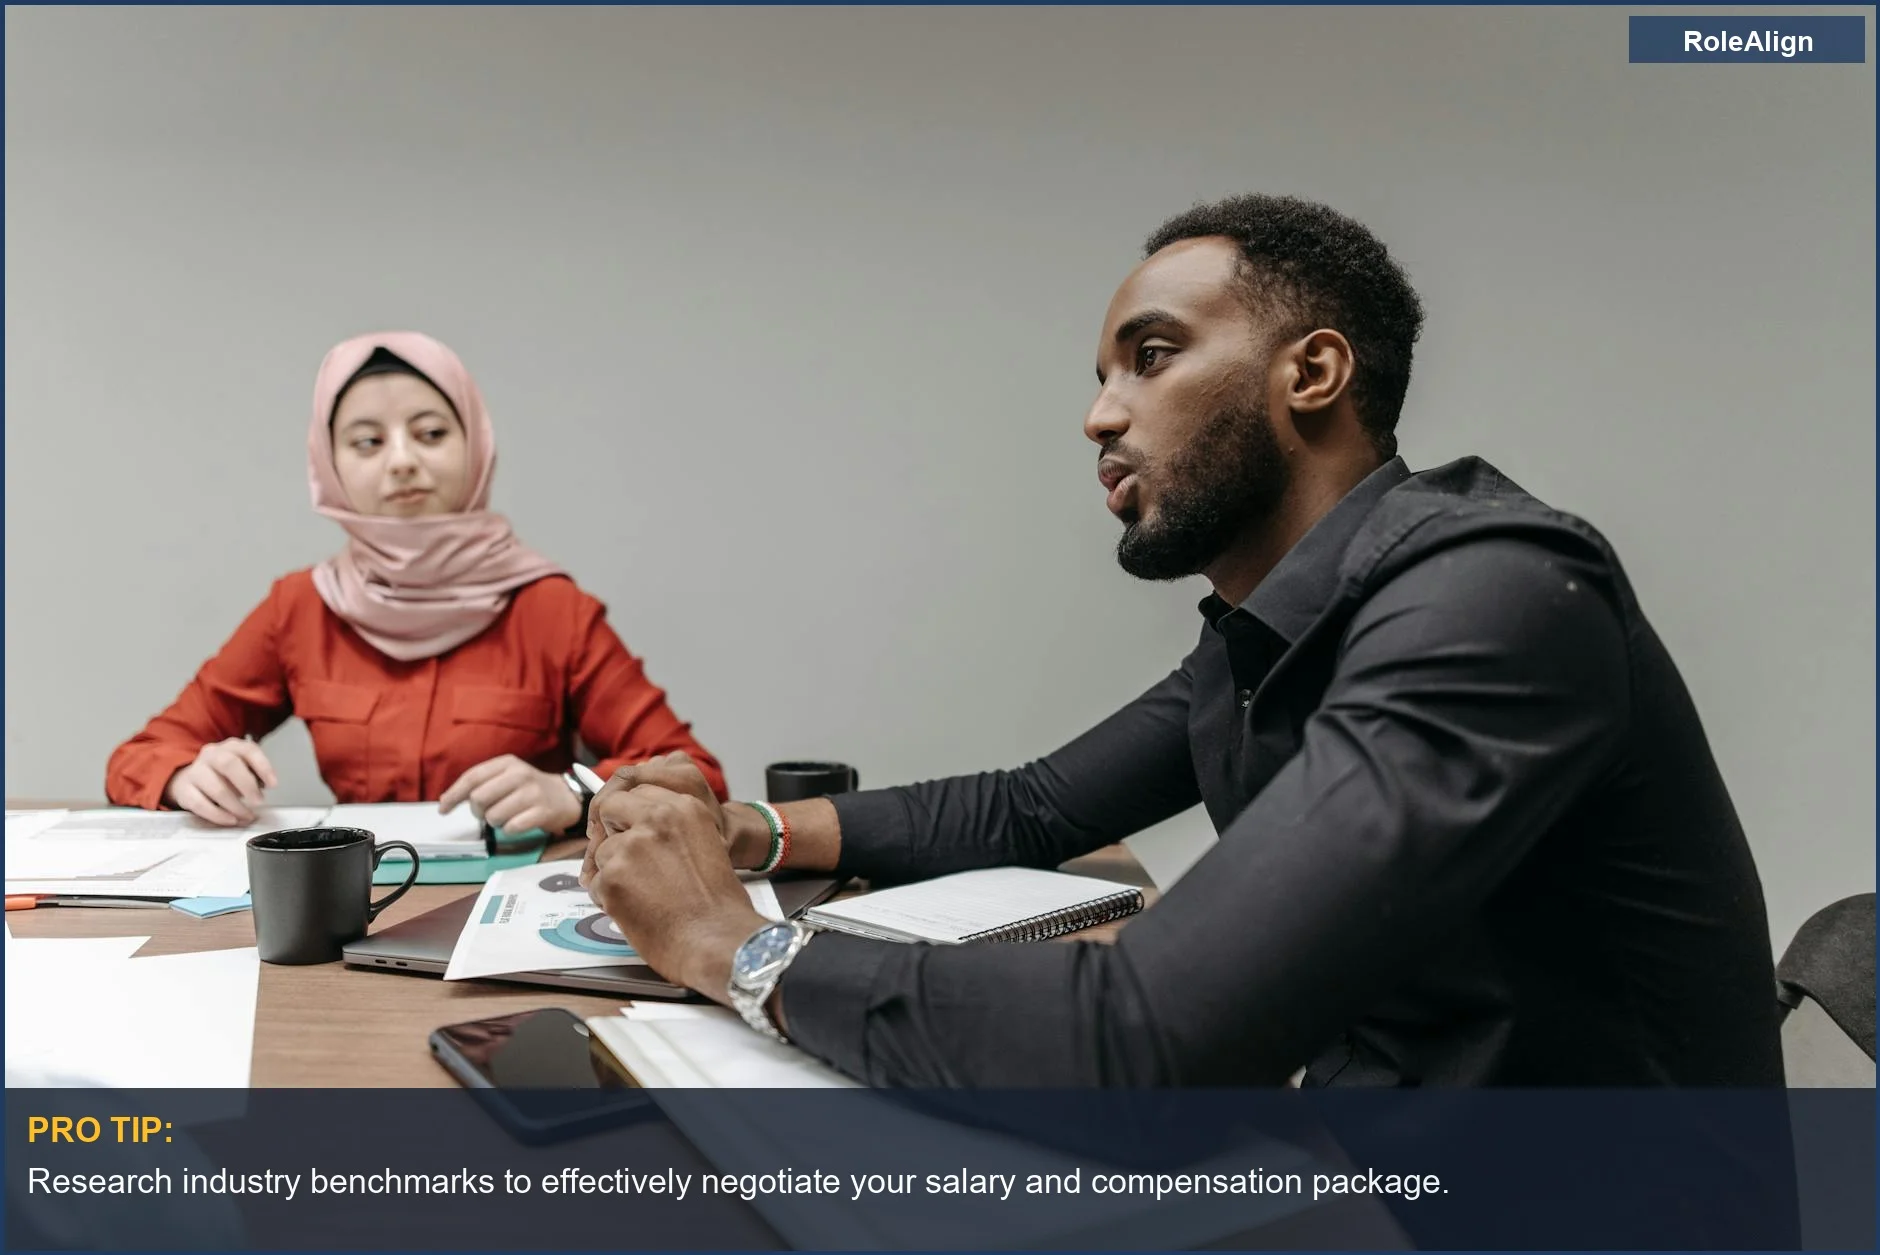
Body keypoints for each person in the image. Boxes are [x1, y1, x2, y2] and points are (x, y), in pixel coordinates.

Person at [578, 195, 1782, 1087]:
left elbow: (1152, 1030)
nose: (1099, 415)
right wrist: (750, 833)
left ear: (1309, 372)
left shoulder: (1490, 599)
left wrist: (732, 944)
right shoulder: (1271, 633)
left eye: (1150, 357)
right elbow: (1030, 807)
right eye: (1103, 374)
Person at [106, 331, 725, 833]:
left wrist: (574, 790)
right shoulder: (299, 607)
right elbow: (139, 755)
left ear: (475, 446)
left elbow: (696, 773)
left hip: (514, 907)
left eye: (430, 433)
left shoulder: (552, 610)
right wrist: (187, 773)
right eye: (367, 441)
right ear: (330, 465)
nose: (402, 460)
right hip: (359, 906)